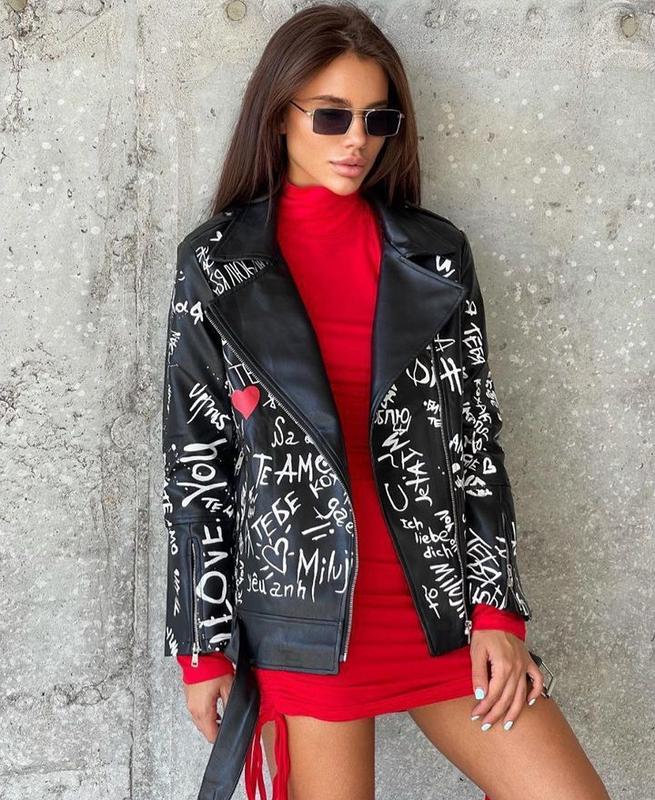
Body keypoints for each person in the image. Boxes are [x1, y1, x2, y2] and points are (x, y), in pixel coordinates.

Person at [161, 4, 611, 800]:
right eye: (331, 115)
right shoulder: (216, 264)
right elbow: (196, 466)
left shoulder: (435, 256)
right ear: (279, 115)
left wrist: (498, 613)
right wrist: (202, 651)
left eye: (378, 118)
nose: (356, 140)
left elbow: (474, 446)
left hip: (436, 606)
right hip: (304, 617)